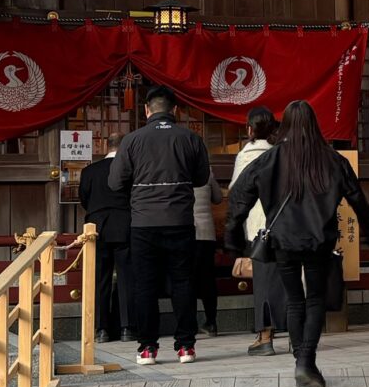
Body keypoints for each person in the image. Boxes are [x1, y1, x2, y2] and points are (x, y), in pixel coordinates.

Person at [225, 100, 369, 387]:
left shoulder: (268, 161)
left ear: (284, 125)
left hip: (283, 242)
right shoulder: (333, 160)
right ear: (314, 124)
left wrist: (233, 240)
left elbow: (239, 199)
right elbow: (359, 201)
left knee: (295, 300)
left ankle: (302, 360)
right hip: (318, 242)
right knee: (315, 301)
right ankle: (306, 361)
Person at [108, 85, 210, 366]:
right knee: (183, 282)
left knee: (145, 286)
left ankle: (147, 348)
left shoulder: (132, 140)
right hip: (180, 221)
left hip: (143, 223)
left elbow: (115, 182)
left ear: (146, 110)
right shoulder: (191, 138)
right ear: (174, 110)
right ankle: (186, 347)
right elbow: (201, 179)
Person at [229, 107, 285, 356]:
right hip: (285, 224)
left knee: (263, 281)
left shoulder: (245, 156)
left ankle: (265, 337)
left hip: (258, 228)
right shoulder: (280, 154)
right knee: (288, 278)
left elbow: (237, 193)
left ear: (249, 129)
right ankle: (296, 334)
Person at [78, 133, 135, 343]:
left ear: (105, 146)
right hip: (125, 225)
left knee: (99, 279)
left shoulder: (89, 171)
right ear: (125, 148)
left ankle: (101, 329)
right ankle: (127, 328)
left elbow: (84, 198)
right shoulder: (130, 171)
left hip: (97, 228)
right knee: (126, 278)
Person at [192, 172, 223, 337]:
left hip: (187, 232)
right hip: (207, 233)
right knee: (207, 279)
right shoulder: (207, 174)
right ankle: (211, 322)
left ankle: (189, 323)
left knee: (187, 279)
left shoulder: (178, 169)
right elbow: (218, 198)